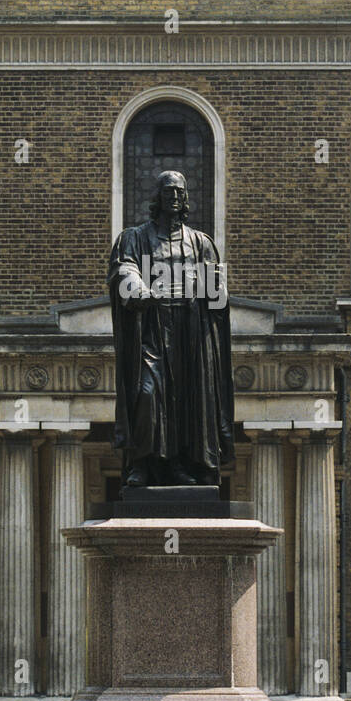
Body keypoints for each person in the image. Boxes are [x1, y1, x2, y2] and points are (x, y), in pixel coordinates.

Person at [107, 170, 234, 488]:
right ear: (158, 197)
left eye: (179, 191)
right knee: (148, 394)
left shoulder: (200, 243)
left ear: (186, 198)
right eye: (168, 191)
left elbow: (216, 297)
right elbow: (124, 266)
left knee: (187, 401)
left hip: (190, 333)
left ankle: (178, 464)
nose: (174, 196)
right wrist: (136, 286)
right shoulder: (135, 237)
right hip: (151, 327)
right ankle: (141, 463)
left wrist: (216, 287)